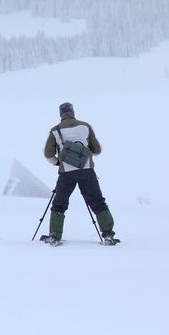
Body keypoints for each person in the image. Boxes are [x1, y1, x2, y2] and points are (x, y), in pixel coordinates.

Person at [41, 102, 119, 245]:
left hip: (66, 173)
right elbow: (97, 150)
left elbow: (48, 154)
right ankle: (108, 234)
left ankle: (55, 236)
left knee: (59, 203)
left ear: (60, 114)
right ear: (73, 112)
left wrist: (58, 162)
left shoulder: (55, 131)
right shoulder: (85, 126)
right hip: (87, 170)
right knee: (98, 202)